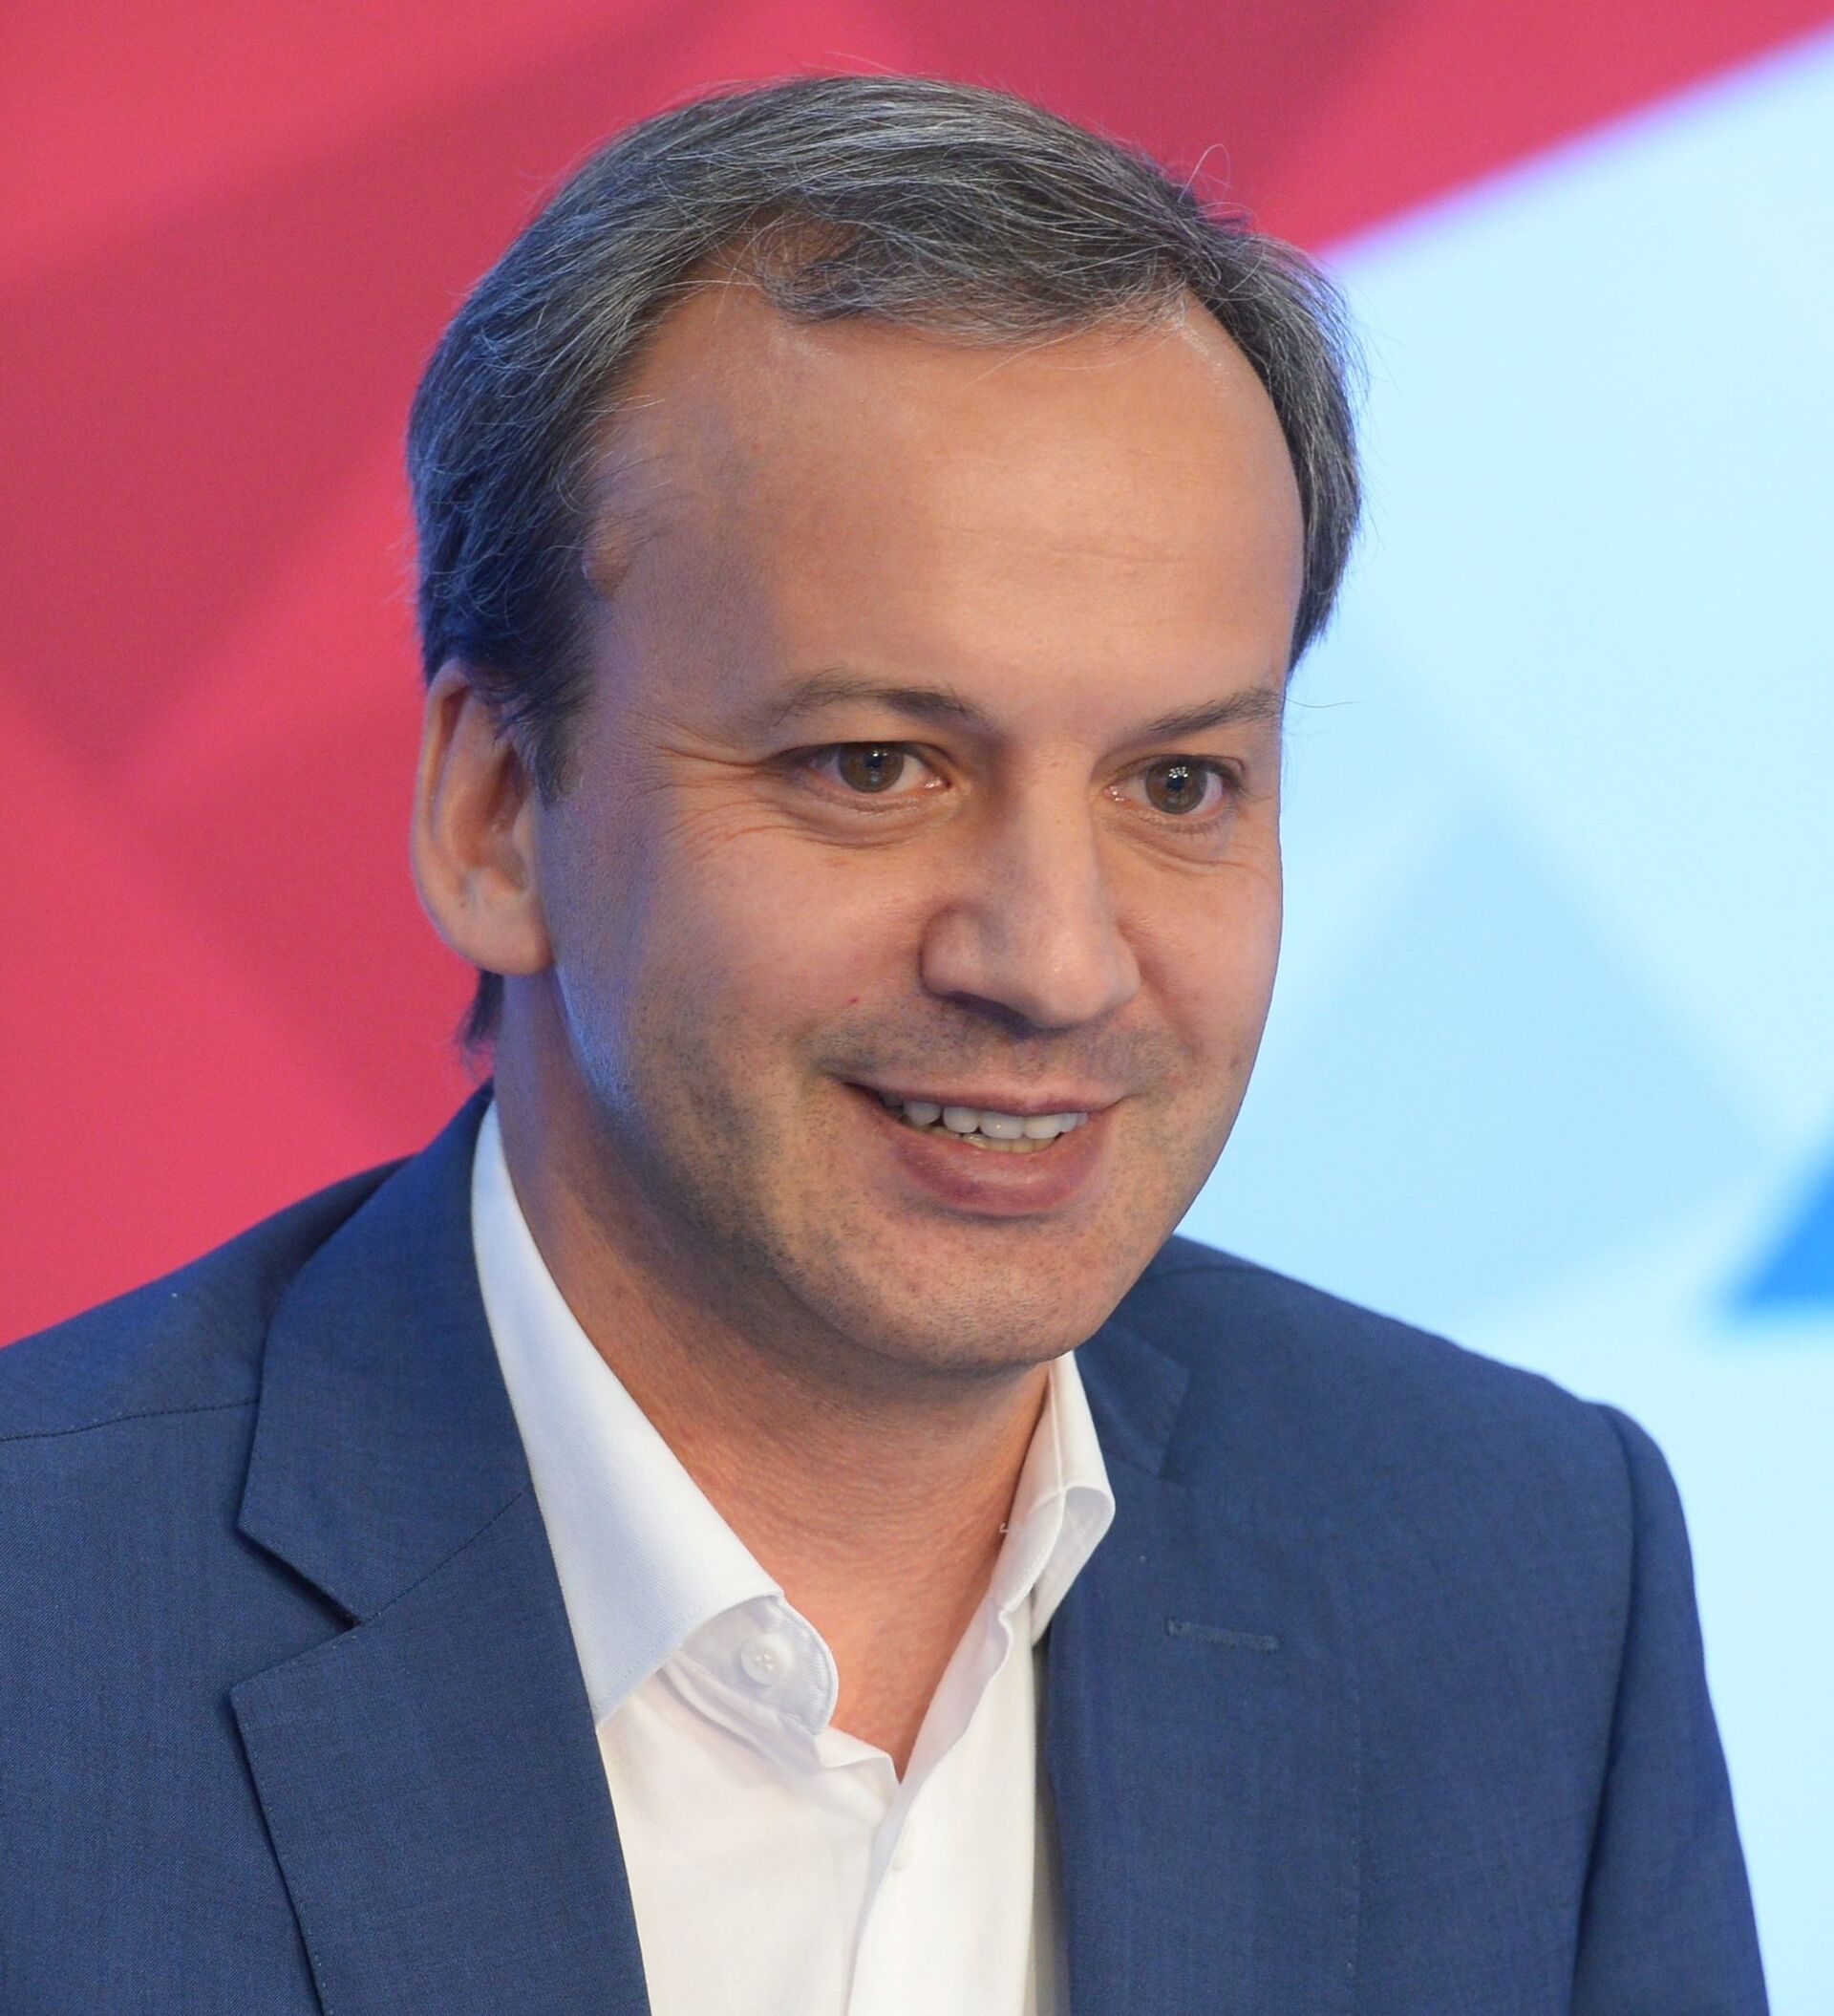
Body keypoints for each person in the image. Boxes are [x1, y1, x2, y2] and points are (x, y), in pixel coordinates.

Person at [0, 73, 1765, 2016]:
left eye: (1177, 781)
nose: (1056, 961)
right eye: (875, 765)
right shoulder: (43, 1626)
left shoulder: (1526, 1572)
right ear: (496, 814)